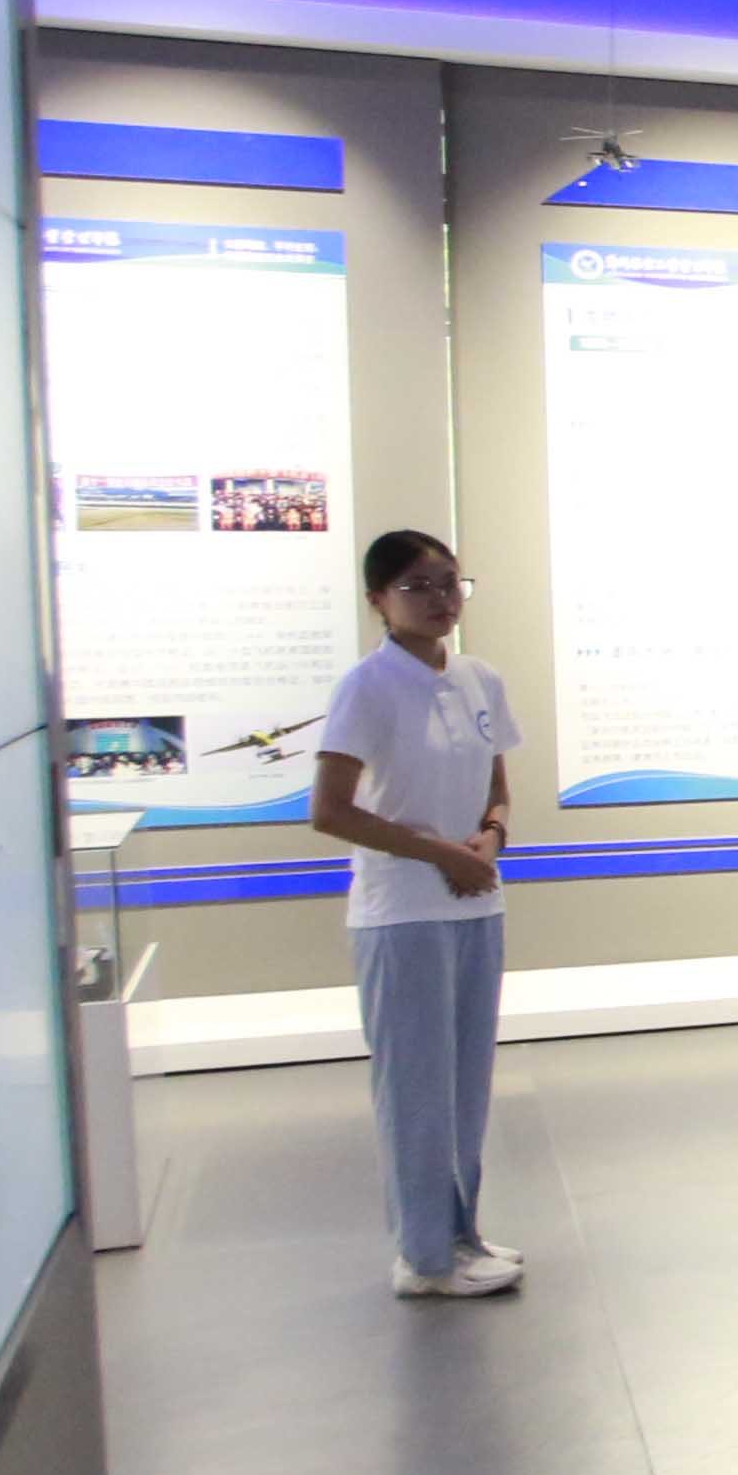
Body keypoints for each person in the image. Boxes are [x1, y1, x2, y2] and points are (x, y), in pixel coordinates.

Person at [309, 531, 526, 1302]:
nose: (440, 599)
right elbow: (330, 811)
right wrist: (439, 854)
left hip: (475, 901)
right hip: (402, 912)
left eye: (449, 582)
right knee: (415, 1088)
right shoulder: (367, 688)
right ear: (379, 600)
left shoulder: (478, 678)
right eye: (417, 586)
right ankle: (424, 1259)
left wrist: (489, 838)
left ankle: (460, 1233)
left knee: (466, 1082)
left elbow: (497, 788)